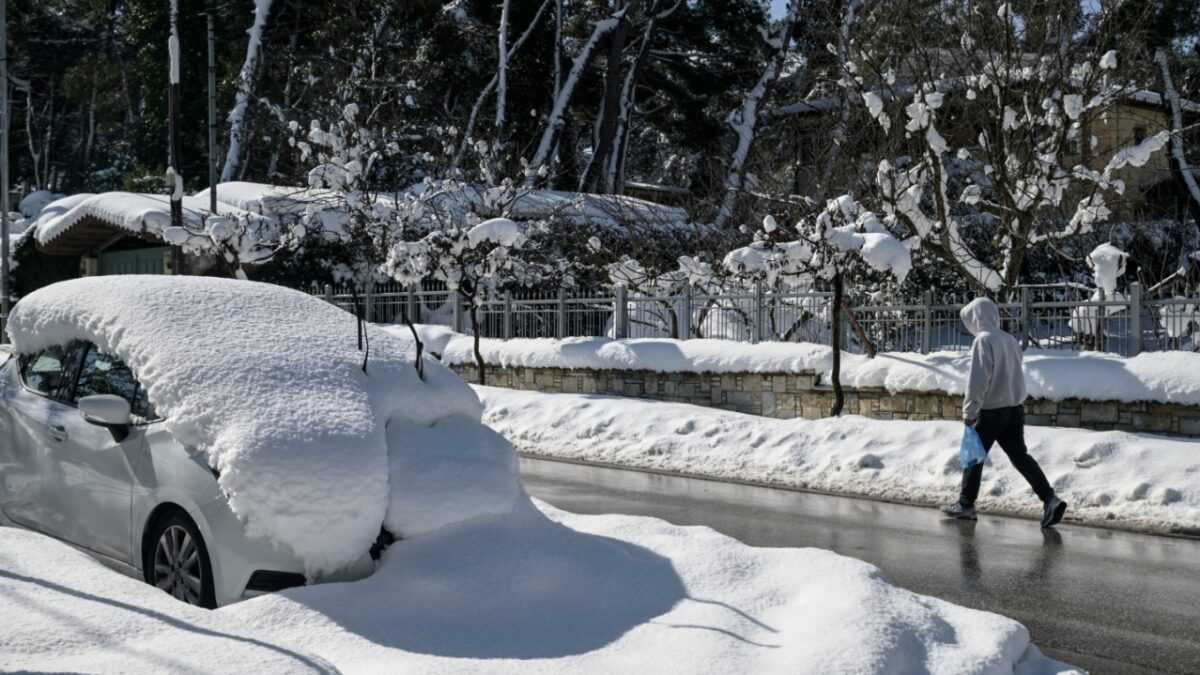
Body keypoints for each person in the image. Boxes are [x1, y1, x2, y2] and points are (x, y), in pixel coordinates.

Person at [941, 297, 1068, 528]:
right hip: (1014, 410)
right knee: (1020, 457)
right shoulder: (1009, 339)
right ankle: (1050, 499)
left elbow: (978, 380)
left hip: (991, 411)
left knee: (973, 458)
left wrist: (970, 410)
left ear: (976, 318)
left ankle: (966, 505)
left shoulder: (983, 340)